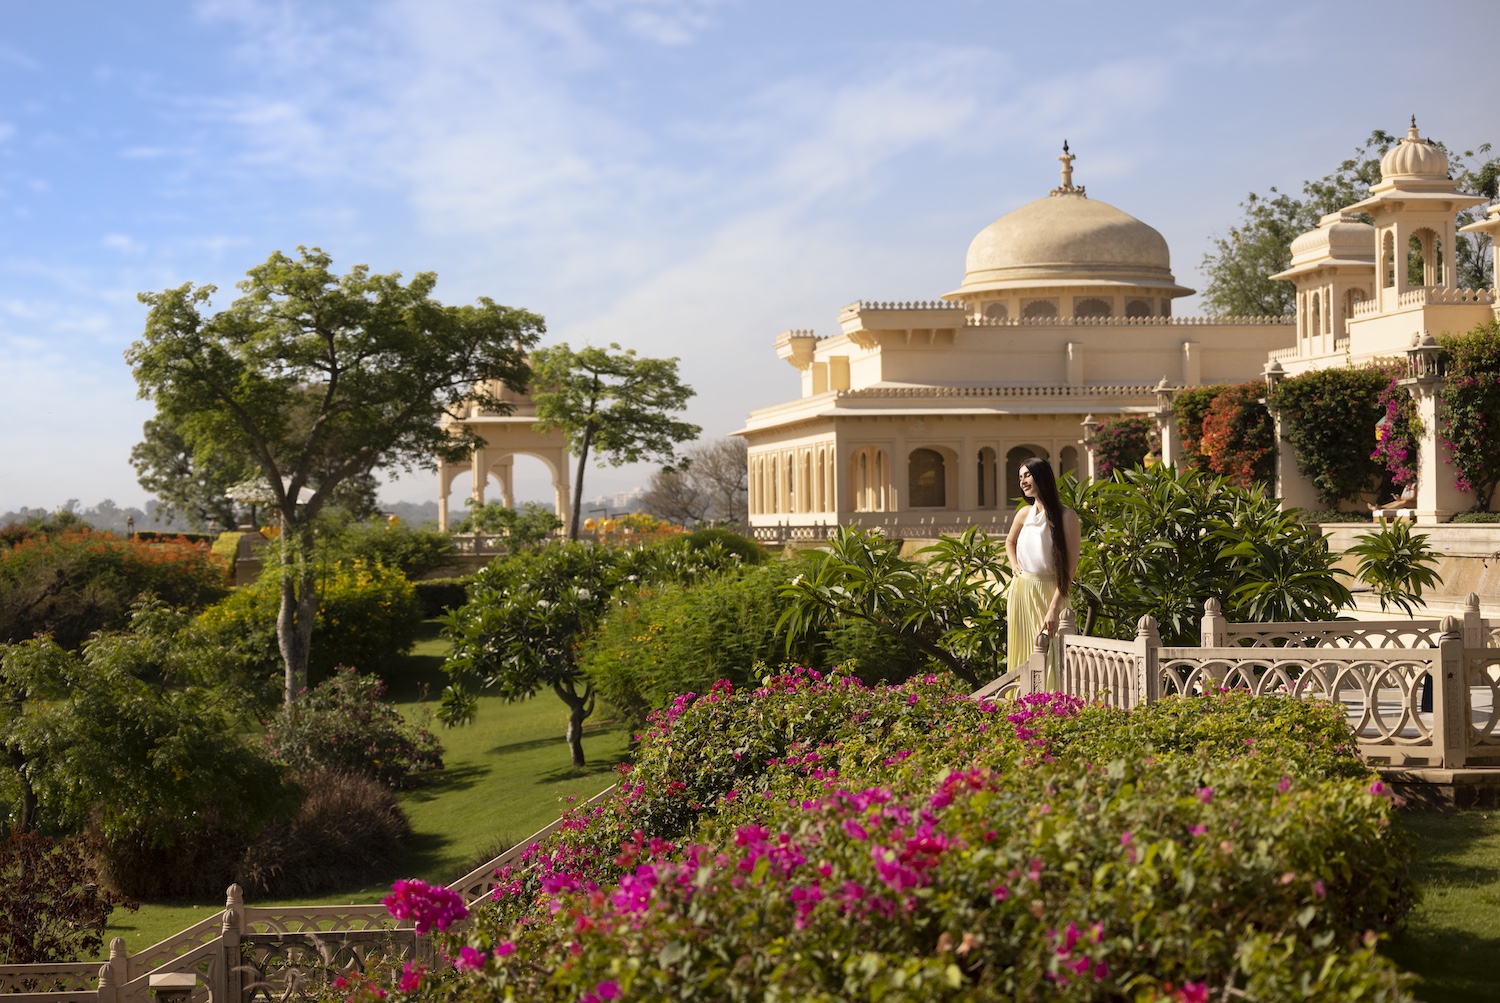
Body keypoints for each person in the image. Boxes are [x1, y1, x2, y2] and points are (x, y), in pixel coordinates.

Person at [1005, 457, 1081, 686]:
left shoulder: (1067, 516)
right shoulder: (1023, 514)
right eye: (1020, 477)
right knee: (1025, 650)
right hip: (1021, 591)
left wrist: (1054, 608)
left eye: (1027, 475)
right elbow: (1009, 541)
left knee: (1051, 652)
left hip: (1051, 593)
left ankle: (1052, 702)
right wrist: (1014, 564)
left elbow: (1070, 568)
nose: (1022, 481)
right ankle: (1022, 700)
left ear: (1042, 476)